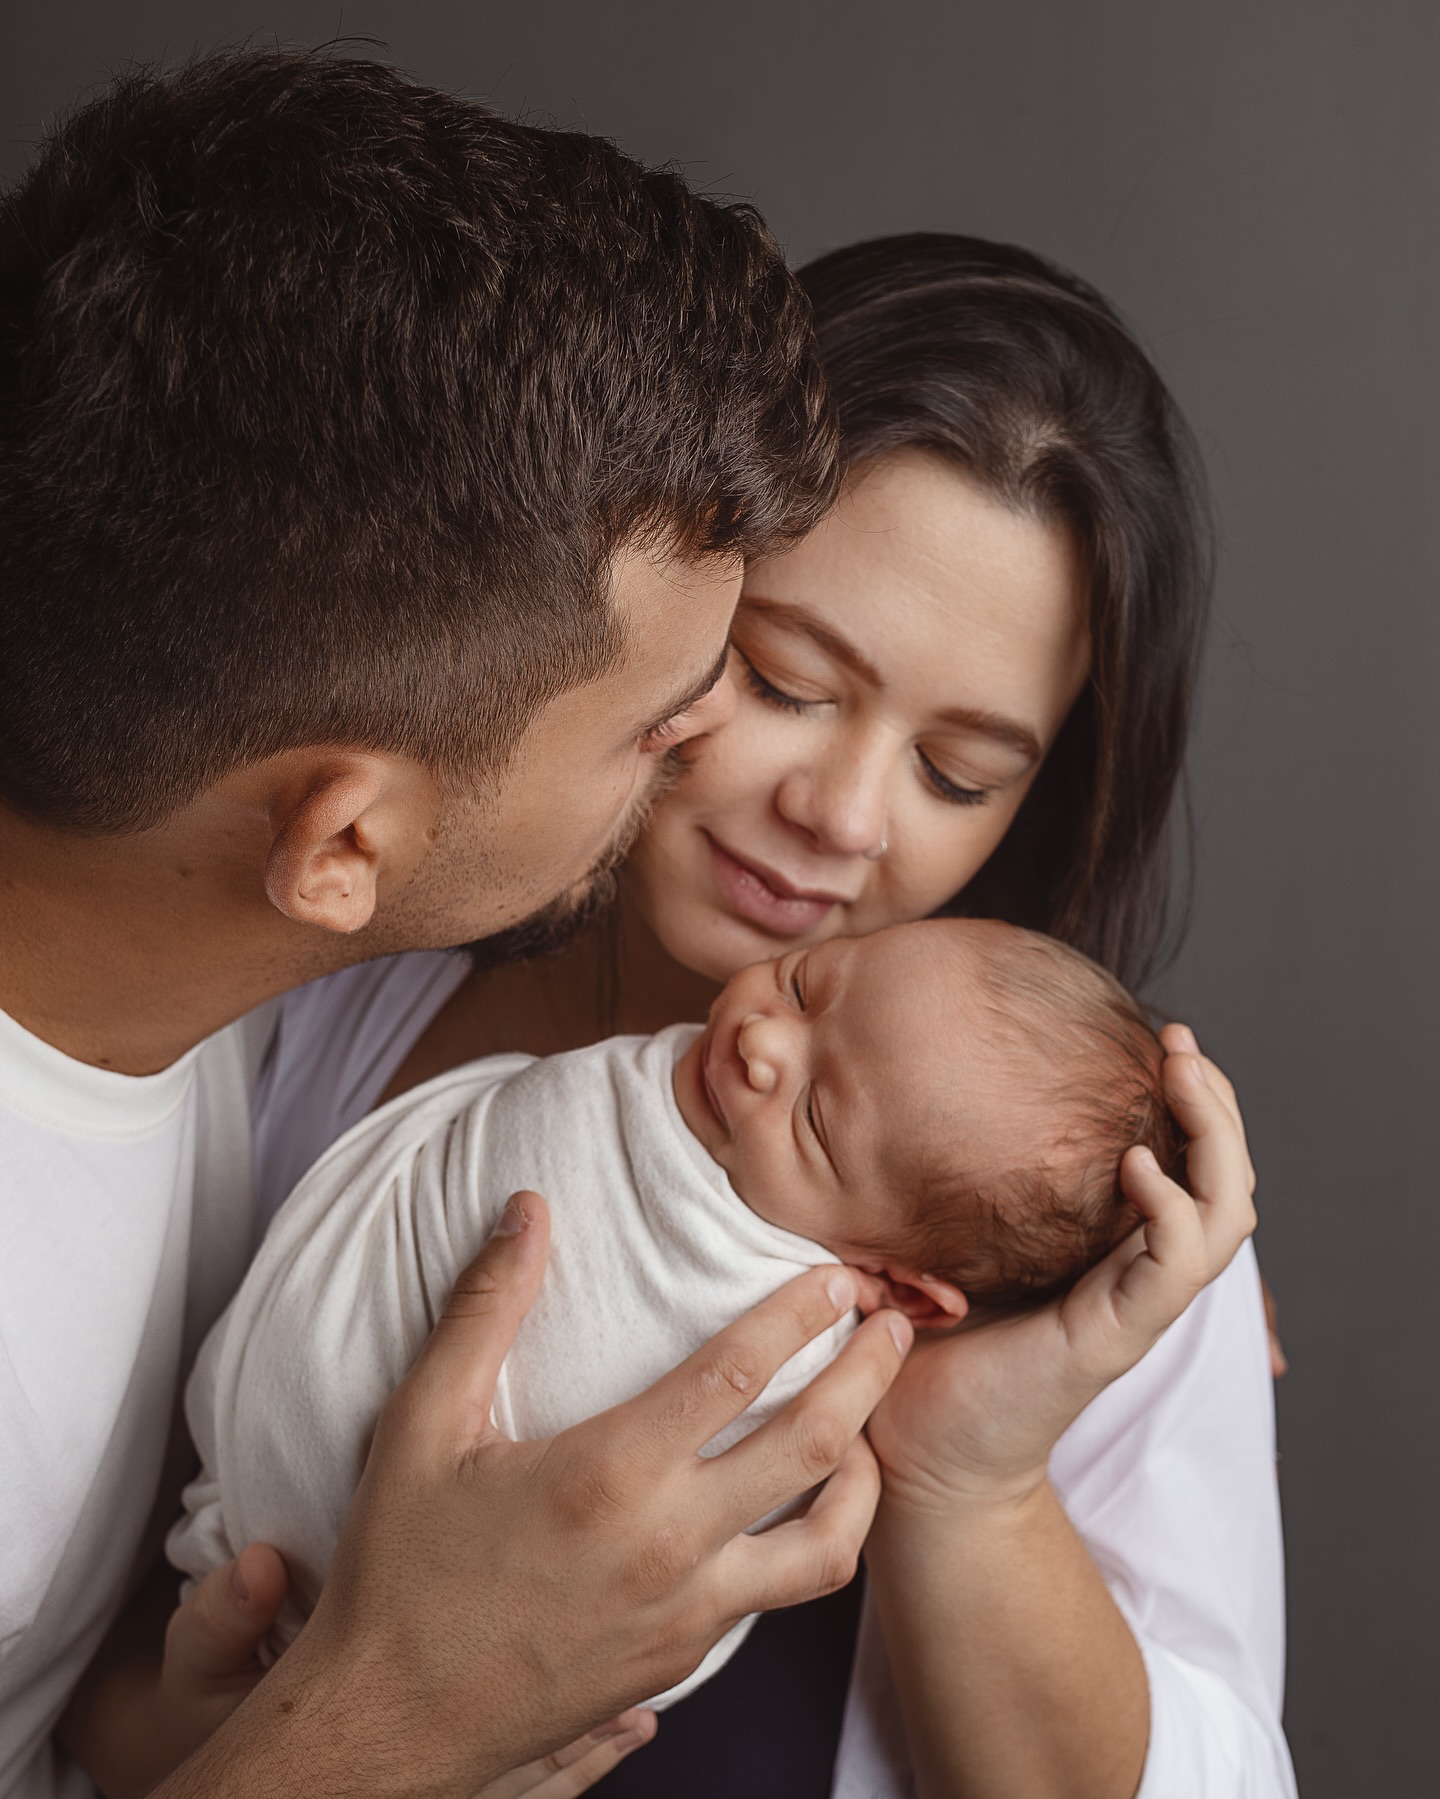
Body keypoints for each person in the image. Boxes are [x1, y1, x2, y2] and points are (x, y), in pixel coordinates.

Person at [233, 235, 1289, 1797]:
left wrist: (975, 1476)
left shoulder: (1090, 1229)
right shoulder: (319, 963)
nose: (843, 815)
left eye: (958, 774)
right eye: (788, 679)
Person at [0, 49, 926, 1799]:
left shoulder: (185, 982)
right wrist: (397, 1716)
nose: (709, 743)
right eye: (653, 725)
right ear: (344, 837)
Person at [167, 917, 1183, 1706]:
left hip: (385, 1607)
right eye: (806, 981)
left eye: (815, 1116)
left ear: (902, 1288)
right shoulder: (695, 1077)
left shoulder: (788, 1343)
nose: (762, 1040)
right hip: (253, 1455)